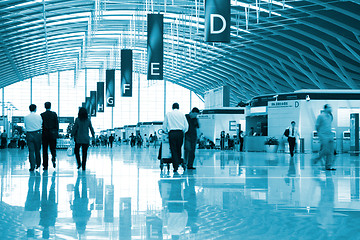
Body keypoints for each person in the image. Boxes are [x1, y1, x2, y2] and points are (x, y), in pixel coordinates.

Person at [163, 103, 189, 173]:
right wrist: (183, 131)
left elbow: (164, 124)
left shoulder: (168, 114)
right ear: (178, 107)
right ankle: (178, 162)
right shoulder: (182, 114)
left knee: (173, 149)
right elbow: (186, 125)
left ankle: (175, 166)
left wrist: (165, 131)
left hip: (172, 133)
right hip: (180, 133)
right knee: (179, 148)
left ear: (172, 107)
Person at [314, 104, 335, 171]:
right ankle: (317, 159)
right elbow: (317, 126)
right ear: (325, 108)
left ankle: (328, 166)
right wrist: (320, 134)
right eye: (329, 107)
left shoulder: (330, 116)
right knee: (325, 149)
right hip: (323, 135)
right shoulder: (320, 116)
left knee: (331, 151)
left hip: (330, 135)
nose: (330, 109)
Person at [24, 104, 43, 172]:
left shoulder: (26, 117)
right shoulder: (39, 116)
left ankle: (32, 166)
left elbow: (25, 125)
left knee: (31, 151)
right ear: (35, 109)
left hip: (29, 134)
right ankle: (38, 164)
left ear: (29, 109)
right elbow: (41, 124)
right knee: (37, 150)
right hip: (37, 134)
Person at [41, 102, 59, 171]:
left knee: (45, 150)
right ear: (50, 106)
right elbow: (56, 124)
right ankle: (53, 157)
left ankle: (45, 166)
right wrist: (56, 132)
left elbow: (41, 125)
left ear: (44, 107)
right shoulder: (54, 114)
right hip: (53, 134)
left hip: (45, 134)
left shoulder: (42, 115)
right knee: (53, 148)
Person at [39, 171, 57, 239]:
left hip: (49, 205)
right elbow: (40, 213)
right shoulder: (41, 223)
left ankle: (51, 178)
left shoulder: (51, 223)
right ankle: (46, 177)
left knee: (51, 190)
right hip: (45, 205)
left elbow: (54, 214)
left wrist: (55, 206)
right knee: (45, 190)